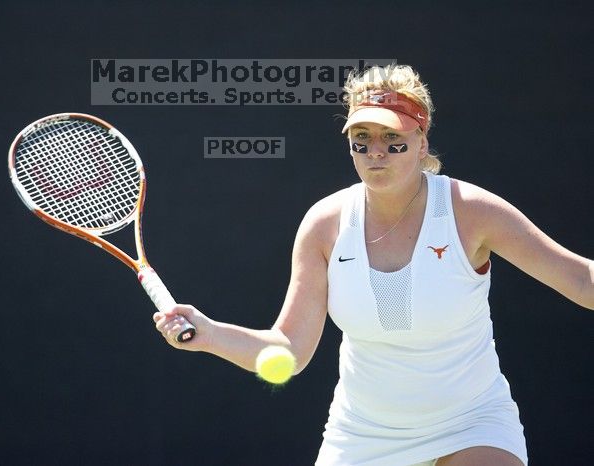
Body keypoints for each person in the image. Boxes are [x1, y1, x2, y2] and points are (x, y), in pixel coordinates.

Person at [153, 64, 594, 466]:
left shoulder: (472, 211)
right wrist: (209, 334)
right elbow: (288, 351)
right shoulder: (324, 225)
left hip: (473, 423)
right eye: (361, 139)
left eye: (392, 139)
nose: (375, 152)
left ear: (422, 143)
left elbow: (580, 279)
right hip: (363, 435)